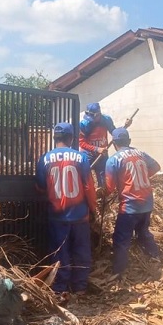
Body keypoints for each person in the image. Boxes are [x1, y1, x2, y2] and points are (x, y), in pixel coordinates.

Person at [36, 122, 98, 295]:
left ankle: (60, 288)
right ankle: (80, 287)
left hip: (57, 217)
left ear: (54, 138)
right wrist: (93, 208)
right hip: (80, 216)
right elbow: (89, 187)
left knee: (59, 254)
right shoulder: (81, 158)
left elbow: (40, 188)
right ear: (71, 138)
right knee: (81, 251)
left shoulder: (44, 159)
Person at [105, 128, 161, 277]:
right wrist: (142, 176)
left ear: (114, 144)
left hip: (130, 206)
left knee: (121, 239)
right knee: (143, 232)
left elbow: (109, 188)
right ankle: (155, 257)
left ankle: (119, 270)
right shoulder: (141, 153)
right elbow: (156, 166)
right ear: (129, 141)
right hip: (147, 203)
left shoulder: (113, 160)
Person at [79, 102, 117, 186]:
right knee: (85, 179)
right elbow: (81, 143)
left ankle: (102, 192)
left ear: (99, 114)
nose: (90, 120)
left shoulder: (106, 120)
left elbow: (114, 133)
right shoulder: (83, 124)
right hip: (87, 154)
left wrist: (122, 129)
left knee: (103, 180)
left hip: (102, 154)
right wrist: (96, 149)